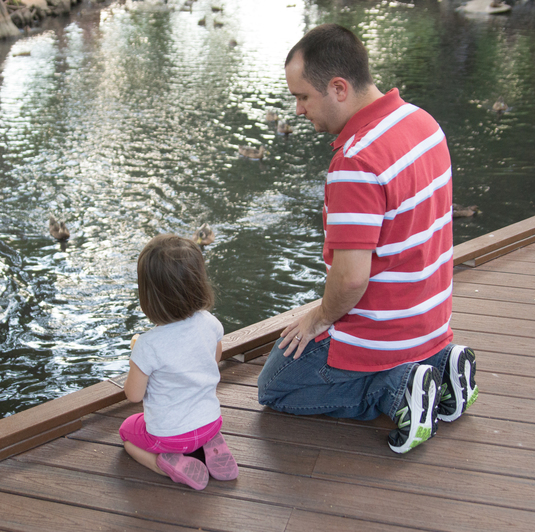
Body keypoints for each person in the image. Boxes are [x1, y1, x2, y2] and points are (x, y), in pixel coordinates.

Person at [257, 24, 478, 453]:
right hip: (432, 324)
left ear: (338, 88)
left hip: (381, 337)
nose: (299, 110)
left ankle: (396, 390)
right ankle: (441, 366)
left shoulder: (356, 160)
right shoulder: (424, 122)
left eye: (303, 96)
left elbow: (352, 280)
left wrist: (318, 317)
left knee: (276, 386)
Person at [120, 234, 238, 489]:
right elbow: (214, 358)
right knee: (201, 427)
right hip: (211, 422)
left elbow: (133, 394)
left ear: (149, 295)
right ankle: (211, 445)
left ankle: (164, 464)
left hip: (169, 436)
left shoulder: (148, 345)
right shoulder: (209, 322)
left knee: (127, 432)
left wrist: (136, 359)